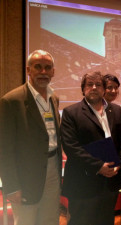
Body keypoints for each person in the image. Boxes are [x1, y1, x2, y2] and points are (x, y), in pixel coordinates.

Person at [60, 71, 121, 225]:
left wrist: (119, 165)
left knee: (106, 220)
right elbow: (71, 146)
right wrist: (98, 166)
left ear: (104, 89)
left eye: (98, 84)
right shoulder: (71, 112)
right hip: (83, 182)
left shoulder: (117, 110)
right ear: (83, 89)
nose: (94, 87)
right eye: (89, 84)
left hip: (111, 180)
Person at [0, 49, 62, 225]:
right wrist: (12, 186)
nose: (43, 72)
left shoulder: (54, 98)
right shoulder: (11, 101)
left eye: (47, 67)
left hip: (52, 169)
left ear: (53, 71)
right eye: (38, 67)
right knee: (27, 221)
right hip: (25, 174)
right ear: (28, 70)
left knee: (50, 220)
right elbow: (5, 149)